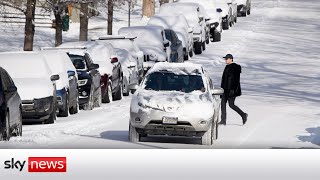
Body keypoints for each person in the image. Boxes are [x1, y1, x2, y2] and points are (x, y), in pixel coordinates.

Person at [219, 54, 248, 125]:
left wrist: (233, 90)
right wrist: (222, 90)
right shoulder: (227, 67)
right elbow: (224, 80)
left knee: (231, 105)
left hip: (231, 90)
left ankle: (243, 115)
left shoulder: (235, 67)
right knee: (223, 104)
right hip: (225, 90)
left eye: (226, 59)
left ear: (231, 59)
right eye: (225, 59)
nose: (225, 60)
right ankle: (223, 121)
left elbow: (236, 80)